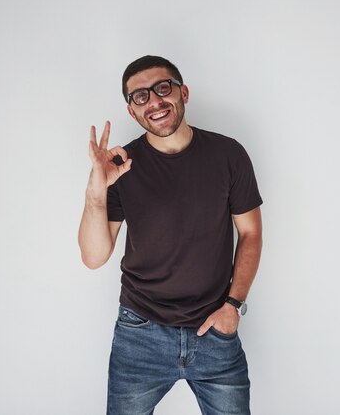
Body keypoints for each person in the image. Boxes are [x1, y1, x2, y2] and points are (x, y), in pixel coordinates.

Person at [78, 55, 263, 415]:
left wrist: (233, 306)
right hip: (139, 334)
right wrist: (96, 189)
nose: (155, 102)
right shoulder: (122, 167)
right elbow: (93, 256)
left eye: (163, 89)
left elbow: (251, 233)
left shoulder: (228, 154)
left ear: (184, 93)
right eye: (140, 96)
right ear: (132, 112)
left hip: (214, 331)